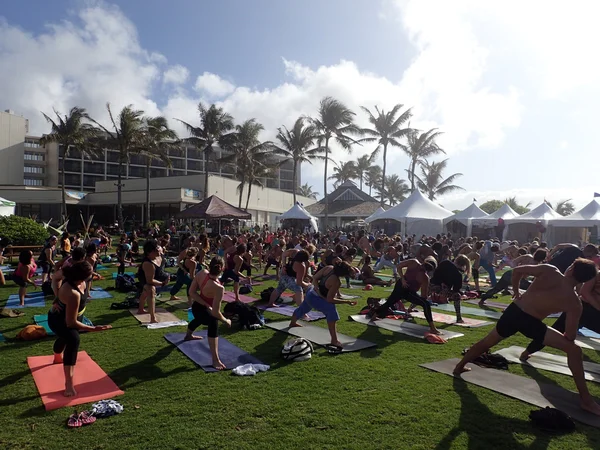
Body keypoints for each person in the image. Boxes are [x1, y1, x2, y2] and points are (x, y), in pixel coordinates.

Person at [454, 259, 600, 416]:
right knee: (574, 350)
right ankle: (586, 400)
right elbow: (570, 336)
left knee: (487, 342)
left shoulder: (549, 270)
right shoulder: (574, 302)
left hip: (515, 312)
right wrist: (563, 339)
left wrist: (516, 291)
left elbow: (517, 271)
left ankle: (460, 366)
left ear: (571, 268)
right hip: (531, 323)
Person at [48, 261, 112, 397]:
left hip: (73, 316)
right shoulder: (72, 292)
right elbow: (71, 323)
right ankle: (69, 385)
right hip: (59, 320)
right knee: (73, 339)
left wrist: (57, 298)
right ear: (83, 276)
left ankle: (57, 356)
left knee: (65, 338)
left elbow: (57, 280)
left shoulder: (78, 280)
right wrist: (94, 329)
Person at [289, 262, 358, 349]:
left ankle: (292, 323)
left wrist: (316, 289)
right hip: (316, 298)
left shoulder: (329, 267)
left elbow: (314, 278)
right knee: (332, 312)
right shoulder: (336, 282)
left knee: (303, 308)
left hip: (310, 293)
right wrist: (347, 301)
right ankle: (334, 340)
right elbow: (330, 299)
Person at [371, 256, 441, 334]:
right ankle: (432, 328)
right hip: (403, 287)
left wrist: (404, 280)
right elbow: (399, 266)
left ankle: (374, 315)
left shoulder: (423, 275)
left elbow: (423, 296)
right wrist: (403, 279)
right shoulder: (416, 266)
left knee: (390, 302)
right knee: (425, 304)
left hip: (406, 289)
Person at [185, 256, 232, 370]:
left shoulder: (202, 273)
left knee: (200, 318)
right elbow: (216, 312)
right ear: (222, 268)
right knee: (213, 321)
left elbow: (191, 292)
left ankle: (188, 335)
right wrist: (226, 320)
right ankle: (215, 360)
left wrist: (205, 305)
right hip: (202, 309)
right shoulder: (219, 288)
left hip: (196, 307)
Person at [479, 249, 547, 304]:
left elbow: (514, 262)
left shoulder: (528, 257)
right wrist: (518, 271)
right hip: (515, 277)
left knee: (497, 289)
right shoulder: (536, 264)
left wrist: (517, 269)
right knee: (532, 288)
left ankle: (482, 299)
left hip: (509, 274)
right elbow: (515, 262)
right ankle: (526, 304)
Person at [429, 255, 471, 323]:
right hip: (437, 287)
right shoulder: (458, 274)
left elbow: (435, 273)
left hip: (432, 285)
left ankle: (410, 308)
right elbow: (456, 289)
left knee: (423, 295)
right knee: (457, 296)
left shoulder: (445, 262)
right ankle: (459, 318)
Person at [137, 240, 169, 323]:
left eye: (158, 249)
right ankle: (152, 317)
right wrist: (162, 283)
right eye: (155, 250)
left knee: (145, 292)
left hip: (158, 275)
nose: (158, 251)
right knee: (150, 290)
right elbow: (150, 280)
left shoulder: (159, 254)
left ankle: (140, 310)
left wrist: (166, 276)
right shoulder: (148, 264)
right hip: (145, 278)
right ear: (149, 252)